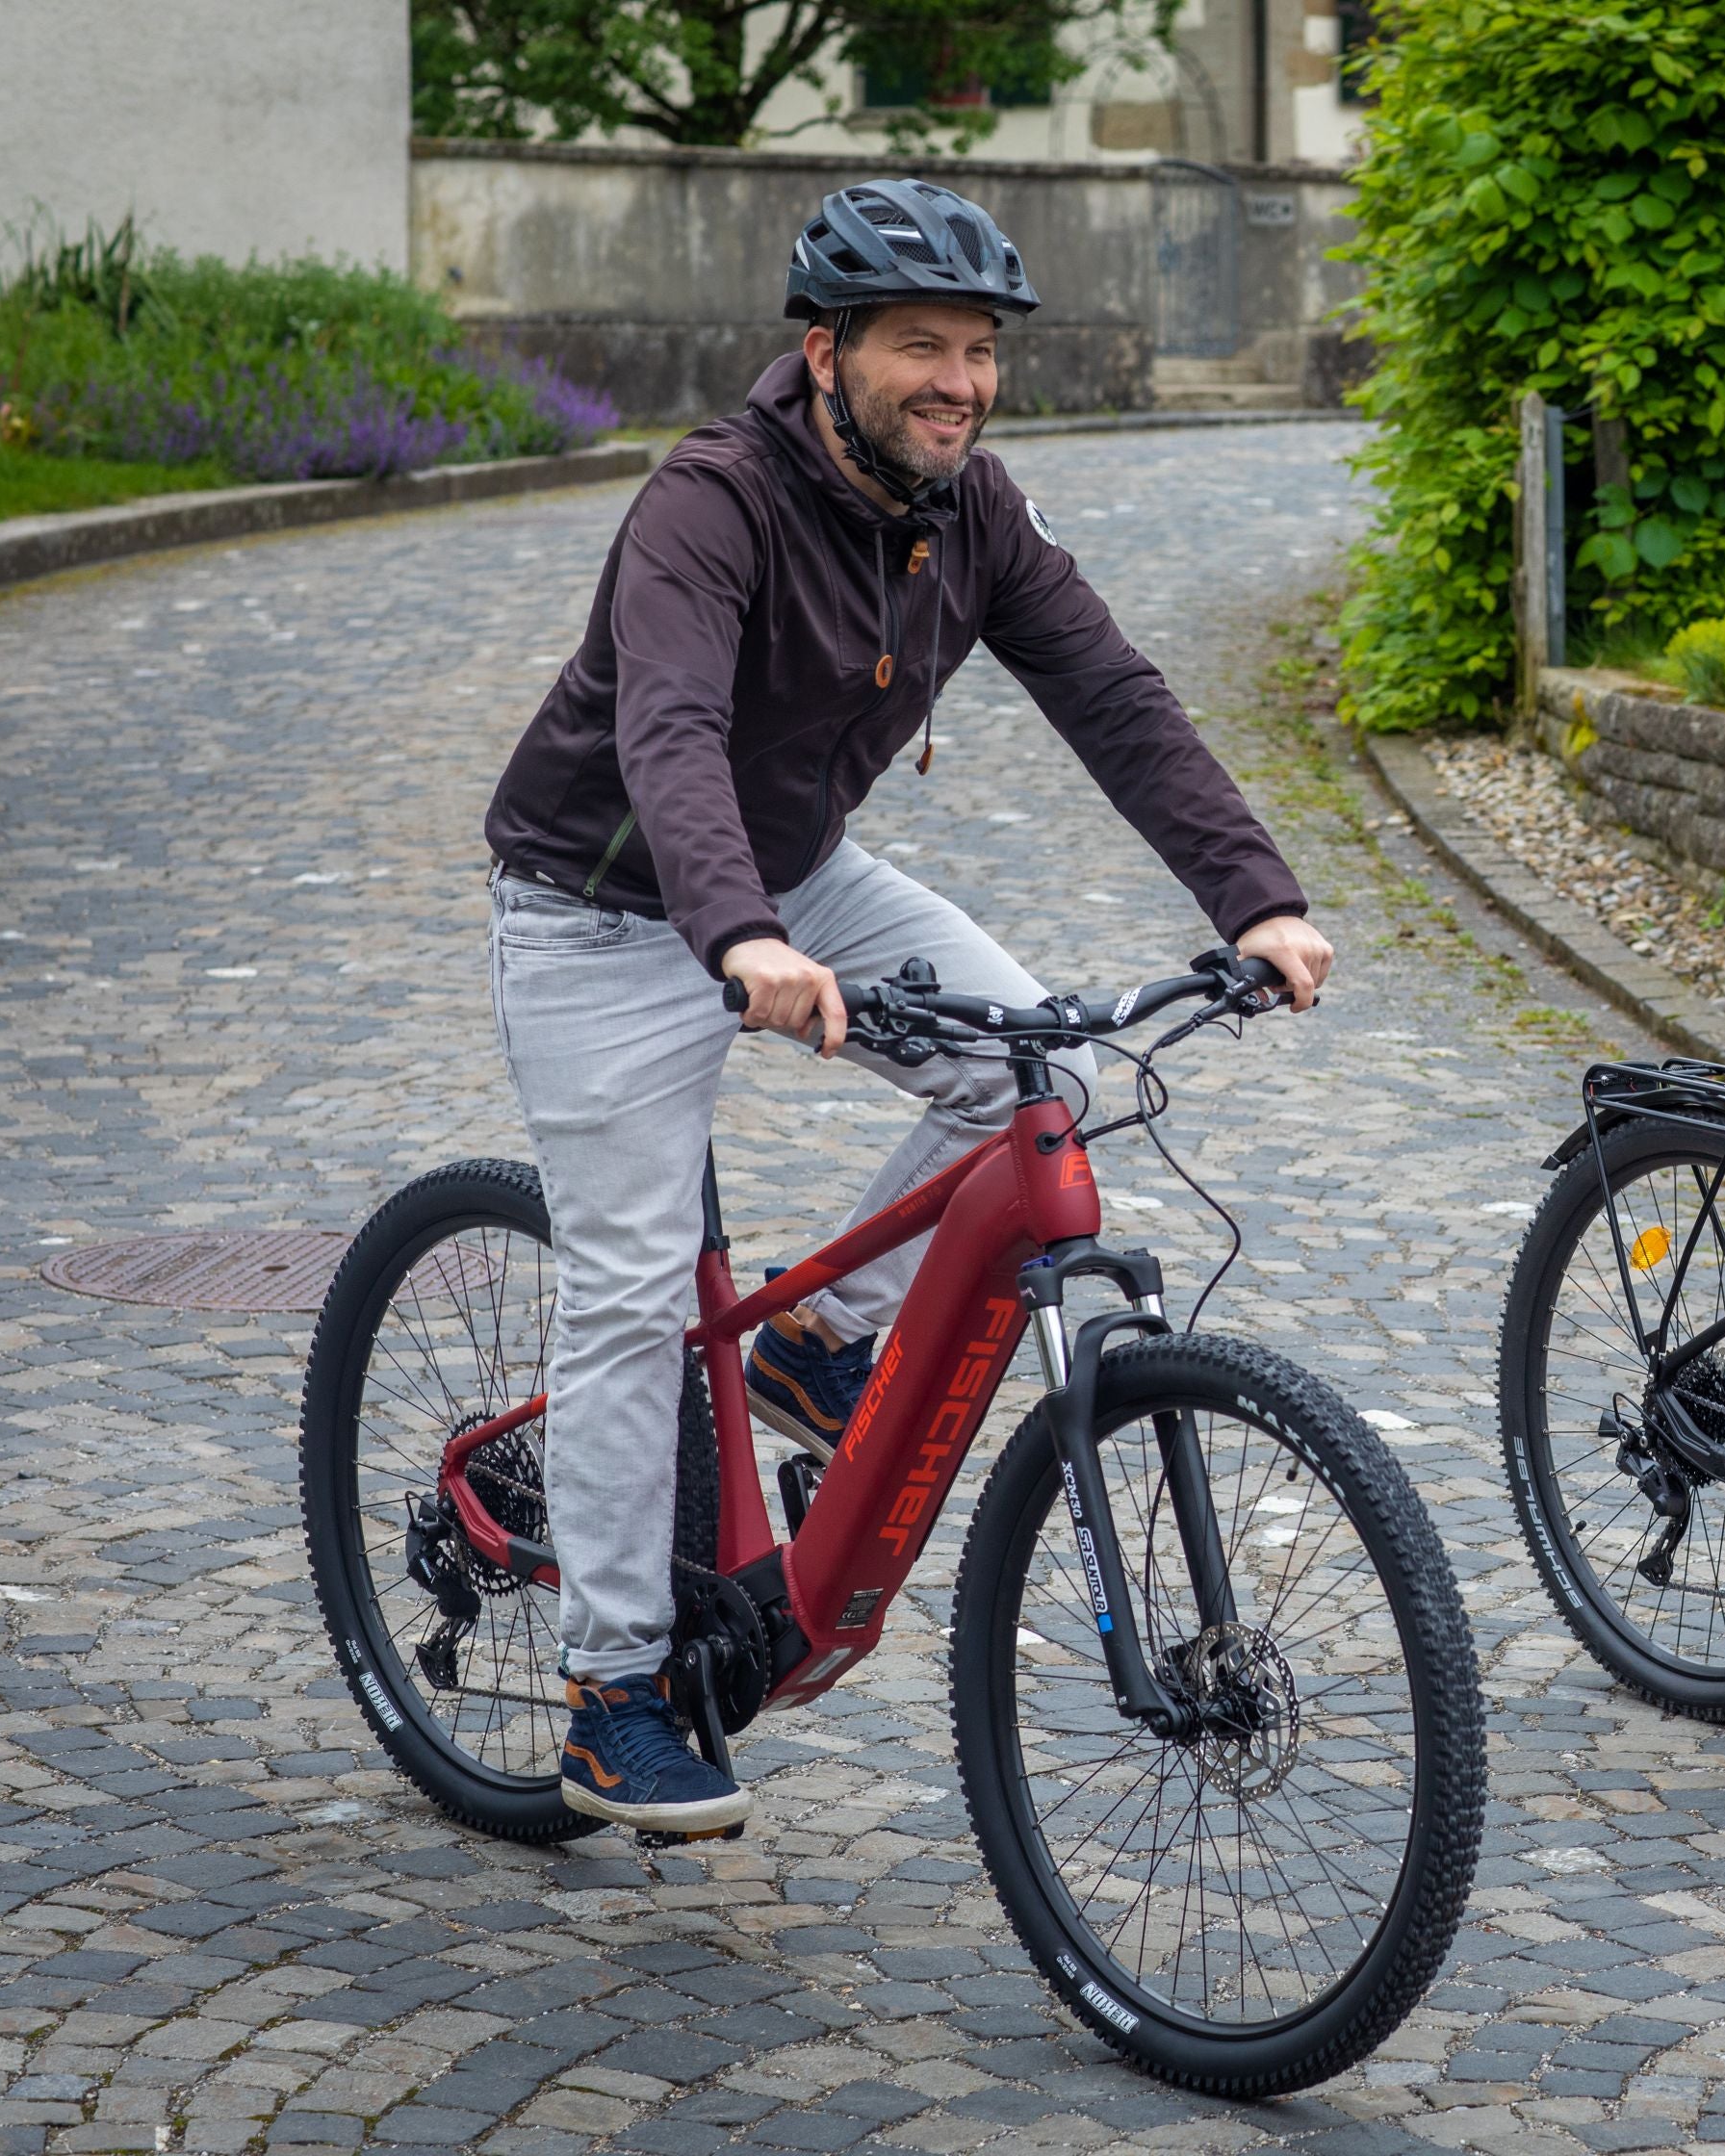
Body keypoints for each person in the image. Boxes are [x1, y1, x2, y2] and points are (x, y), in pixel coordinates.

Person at [480, 179, 1334, 1835]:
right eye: (919, 348)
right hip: (603, 910)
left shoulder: (970, 512)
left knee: (1060, 1083)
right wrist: (735, 939)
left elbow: (1111, 691)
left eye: (977, 351)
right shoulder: (705, 505)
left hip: (792, 883)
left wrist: (1259, 894)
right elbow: (663, 732)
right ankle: (612, 1696)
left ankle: (818, 1346)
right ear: (826, 354)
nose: (958, 380)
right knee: (634, 1292)